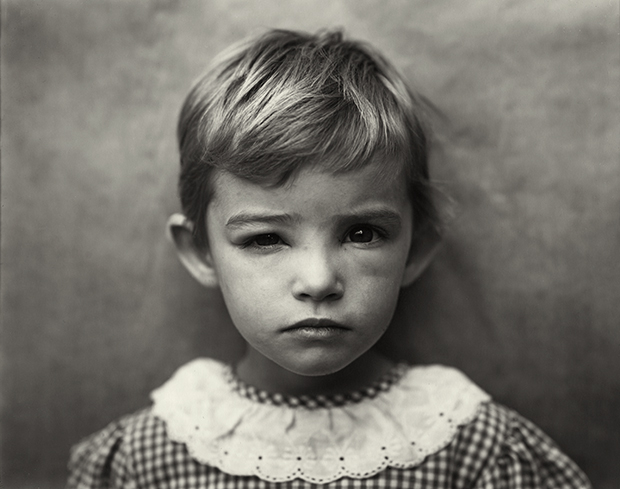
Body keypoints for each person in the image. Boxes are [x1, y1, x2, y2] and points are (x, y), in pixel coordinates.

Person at [66, 29, 591, 488]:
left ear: (418, 248)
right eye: (265, 238)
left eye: (362, 233)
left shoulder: (471, 446)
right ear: (200, 252)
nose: (318, 281)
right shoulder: (147, 457)